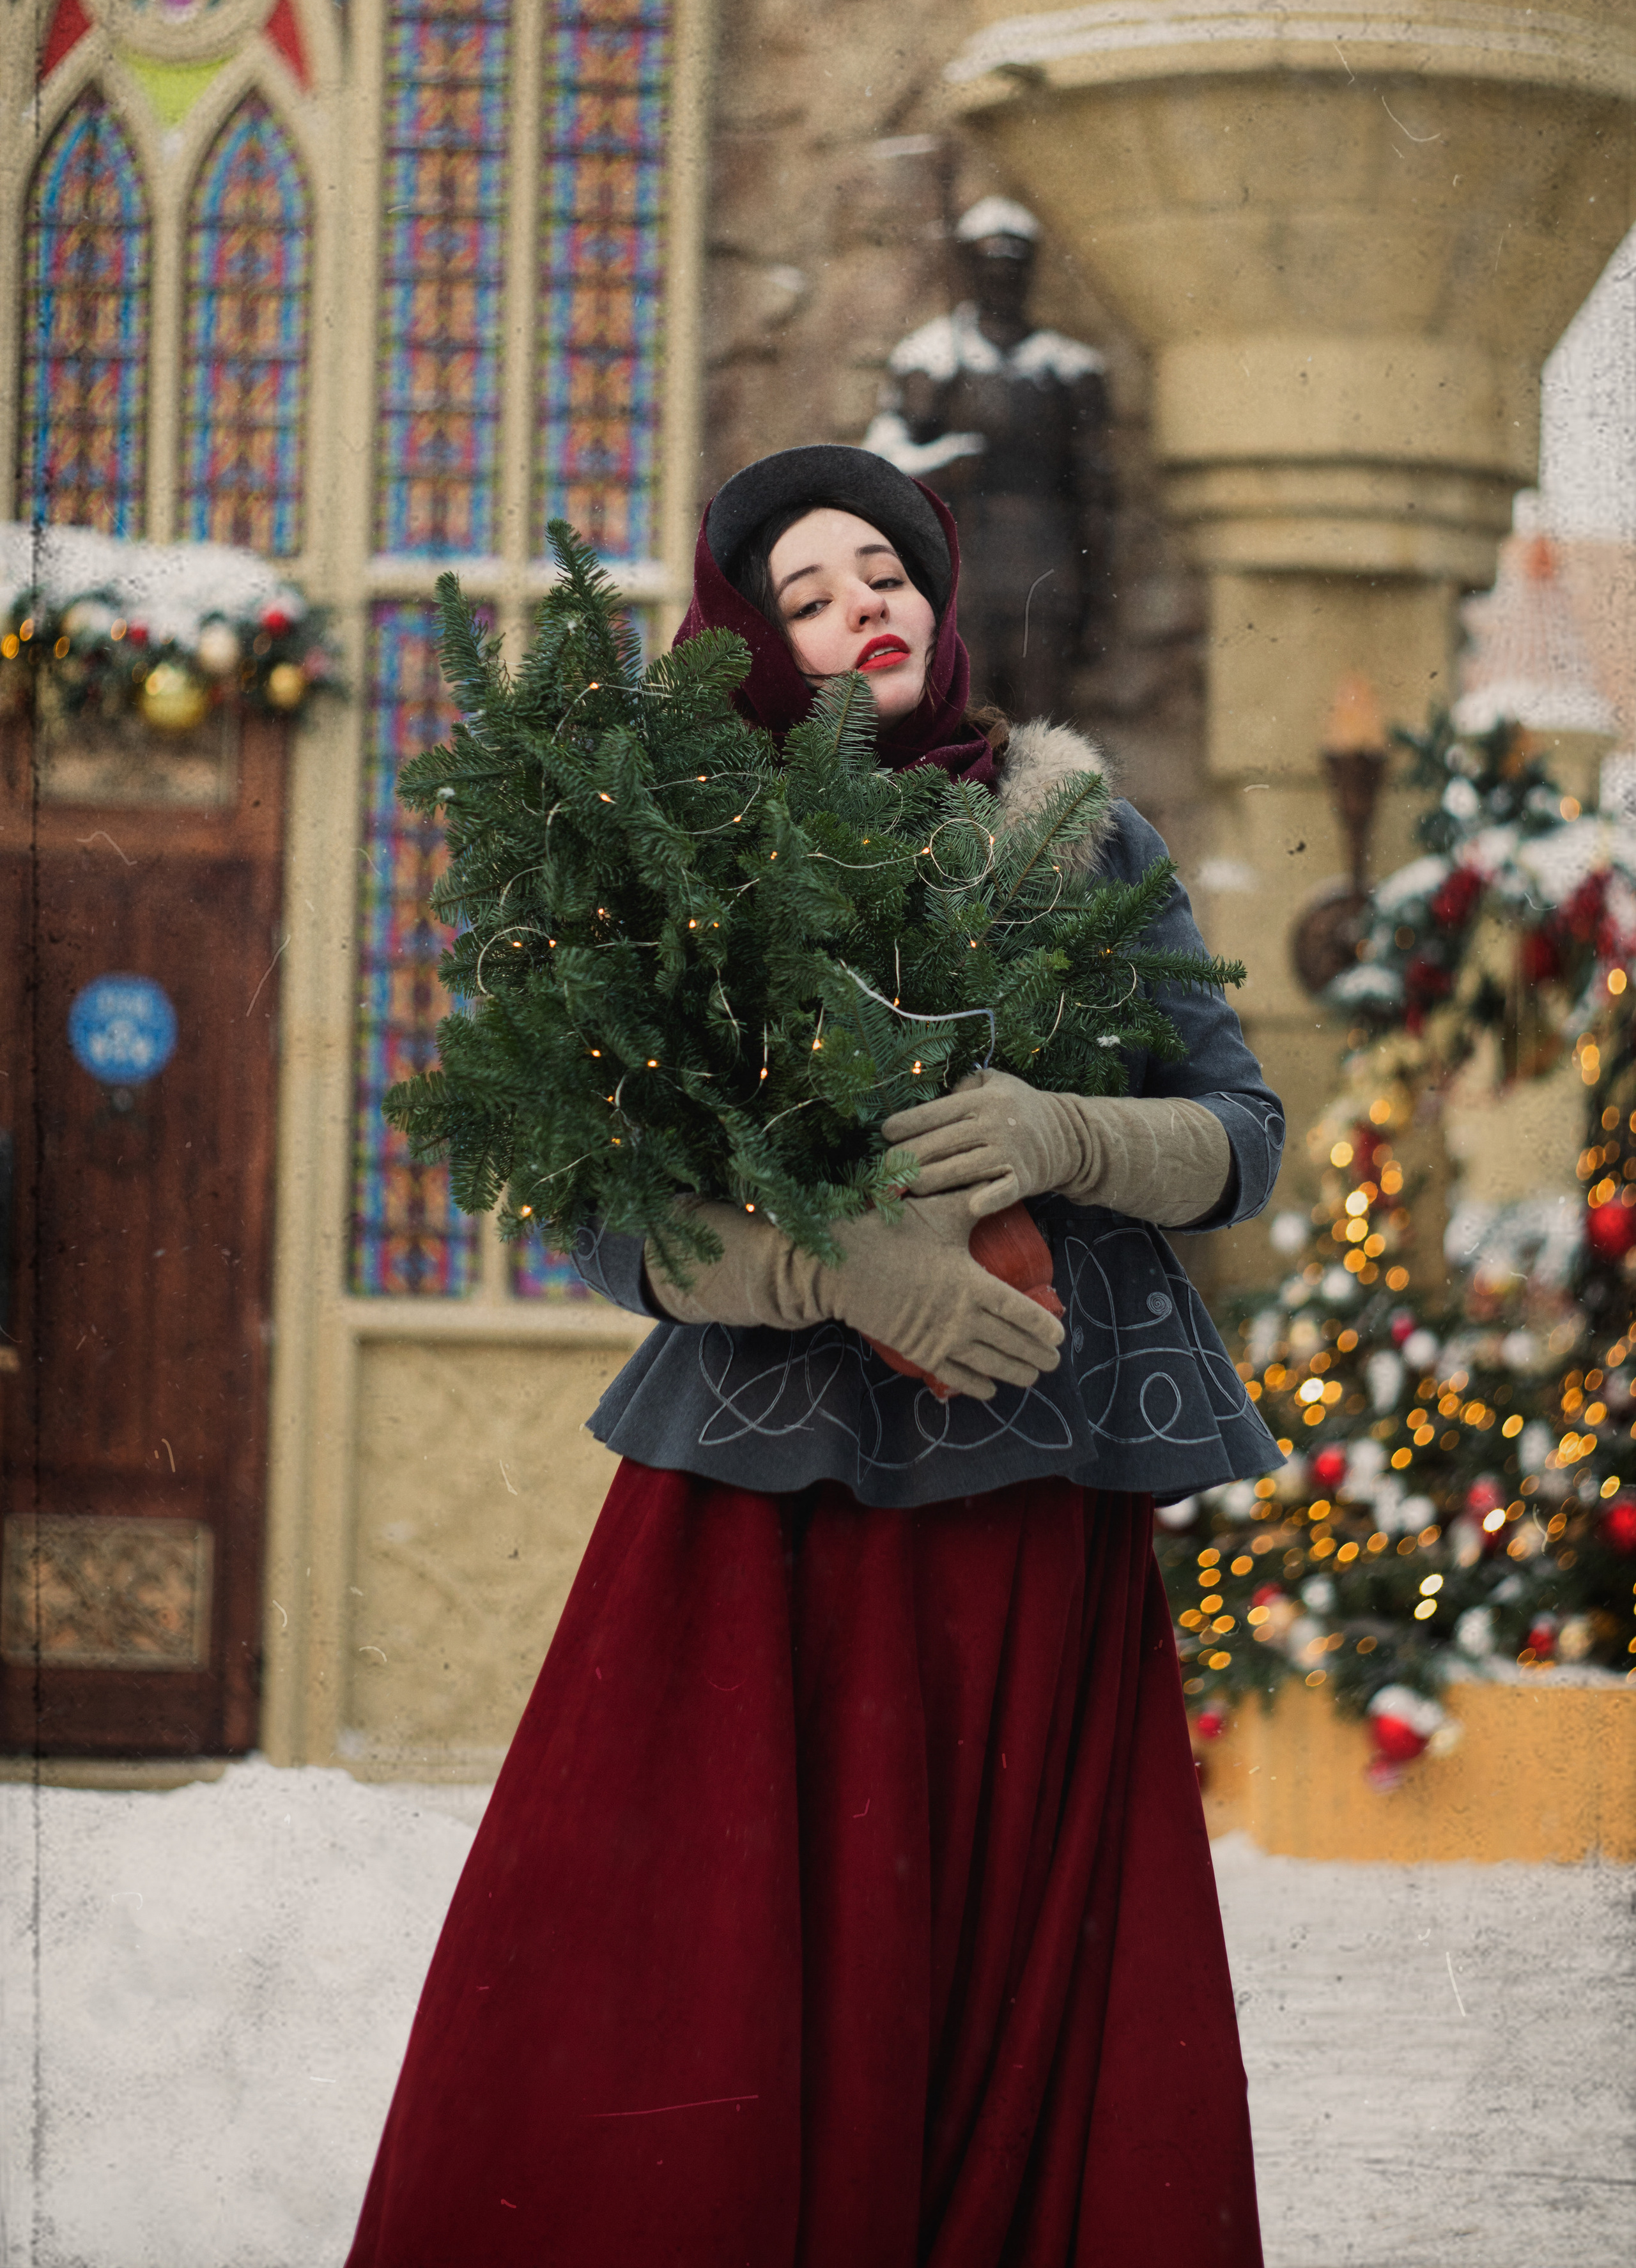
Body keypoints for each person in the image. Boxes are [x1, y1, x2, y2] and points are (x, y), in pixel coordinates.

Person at [346, 446, 1283, 2268]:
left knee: (1002, 1966)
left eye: (891, 569)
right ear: (750, 647)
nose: (867, 604)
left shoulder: (1081, 831)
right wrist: (819, 1271)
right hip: (762, 1533)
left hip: (1030, 1504)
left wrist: (1070, 1136)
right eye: (806, 592)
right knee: (716, 1981)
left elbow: (1241, 1133)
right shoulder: (676, 843)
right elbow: (600, 1203)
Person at [863, 196, 1115, 724]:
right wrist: (943, 462)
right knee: (960, 716)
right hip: (961, 572)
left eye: (1013, 269)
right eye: (990, 267)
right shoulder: (931, 360)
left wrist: (1096, 597)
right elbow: (884, 466)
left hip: (1044, 573)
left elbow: (1095, 492)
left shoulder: (1067, 371)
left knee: (1043, 725)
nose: (1002, 281)